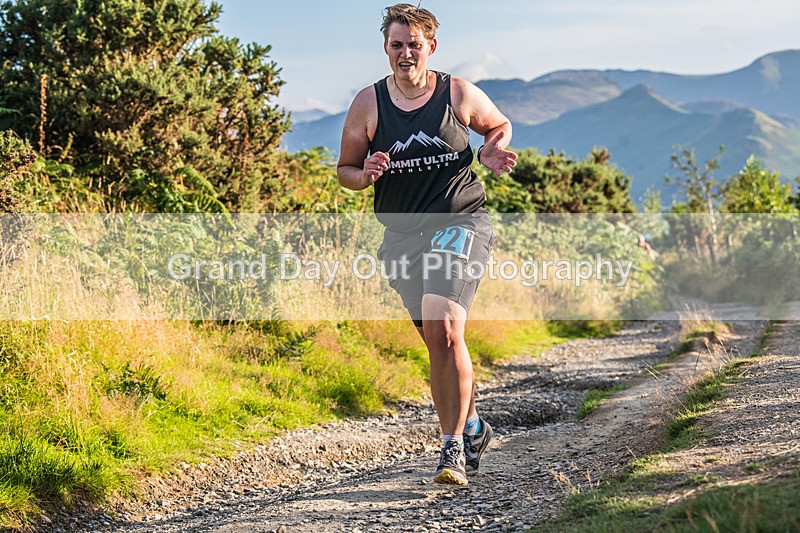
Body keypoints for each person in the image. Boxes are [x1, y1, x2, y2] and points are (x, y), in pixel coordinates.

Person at [337, 3, 517, 486]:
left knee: (445, 327)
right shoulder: (368, 104)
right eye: (397, 45)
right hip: (402, 237)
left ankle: (452, 447)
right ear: (386, 48)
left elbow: (499, 124)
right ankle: (474, 426)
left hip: (459, 220)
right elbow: (345, 171)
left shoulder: (456, 92)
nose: (405, 53)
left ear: (430, 47)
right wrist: (365, 174)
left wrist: (492, 147)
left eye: (414, 45)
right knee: (438, 342)